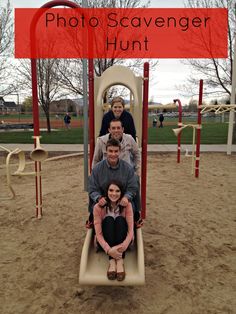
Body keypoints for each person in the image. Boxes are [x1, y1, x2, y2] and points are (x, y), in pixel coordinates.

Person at [88, 138, 141, 228]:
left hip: (122, 202)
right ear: (106, 151)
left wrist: (126, 197)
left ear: (120, 152)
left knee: (135, 183)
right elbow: (92, 188)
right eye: (110, 151)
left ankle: (136, 217)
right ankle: (91, 218)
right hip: (104, 201)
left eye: (116, 151)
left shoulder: (128, 168)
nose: (113, 154)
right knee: (95, 205)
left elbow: (132, 187)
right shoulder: (97, 169)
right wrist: (98, 198)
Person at [93, 180, 134, 281]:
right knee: (108, 220)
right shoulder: (98, 207)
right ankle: (111, 261)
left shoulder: (127, 205)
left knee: (120, 220)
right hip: (105, 242)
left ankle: (120, 261)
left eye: (117, 191)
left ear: (122, 193)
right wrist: (109, 250)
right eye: (111, 190)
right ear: (106, 192)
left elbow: (130, 231)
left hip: (123, 242)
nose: (114, 193)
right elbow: (98, 234)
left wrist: (123, 247)